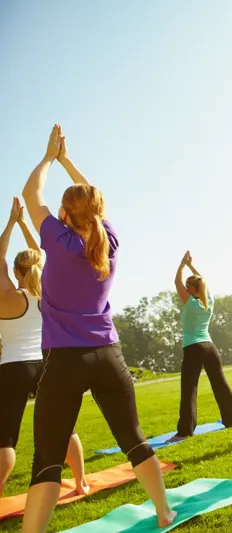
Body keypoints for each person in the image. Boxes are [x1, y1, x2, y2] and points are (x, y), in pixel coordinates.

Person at [20, 125, 175, 532]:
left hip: (64, 362)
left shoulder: (57, 239)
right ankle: (164, 510)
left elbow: (31, 194)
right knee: (134, 438)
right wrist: (70, 161)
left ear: (65, 215)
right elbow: (94, 200)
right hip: (108, 355)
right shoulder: (110, 240)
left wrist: (49, 158)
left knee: (48, 459)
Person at [0, 198, 88, 498]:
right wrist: (25, 224)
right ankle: (80, 483)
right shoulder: (49, 292)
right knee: (66, 427)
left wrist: (11, 223)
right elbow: (42, 255)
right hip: (48, 363)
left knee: (6, 438)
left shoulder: (8, 297)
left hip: (13, 367)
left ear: (15, 271)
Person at [169, 251, 232, 442]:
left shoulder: (192, 303)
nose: (184, 288)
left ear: (192, 288)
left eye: (187, 286)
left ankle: (185, 431)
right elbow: (203, 282)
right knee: (220, 385)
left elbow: (176, 283)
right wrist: (192, 267)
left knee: (189, 389)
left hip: (194, 348)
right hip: (209, 347)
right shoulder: (209, 301)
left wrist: (182, 265)